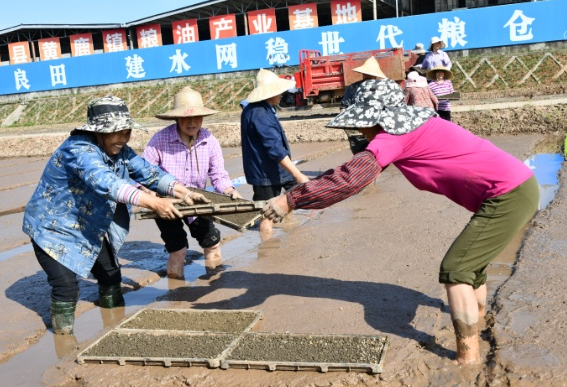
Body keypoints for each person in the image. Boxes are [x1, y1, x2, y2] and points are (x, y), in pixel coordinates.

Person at [261, 79, 539, 365]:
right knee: (472, 265)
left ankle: (467, 358)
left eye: (361, 123)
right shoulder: (415, 124)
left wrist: (289, 200)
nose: (360, 130)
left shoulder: (393, 136)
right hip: (517, 188)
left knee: (457, 269)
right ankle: (477, 321)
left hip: (508, 195)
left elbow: (349, 178)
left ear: (375, 117)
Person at [23, 95, 209, 335]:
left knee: (111, 274)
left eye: (127, 131)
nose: (123, 138)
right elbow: (106, 183)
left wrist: (184, 192)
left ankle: (113, 328)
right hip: (52, 229)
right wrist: (153, 202)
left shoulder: (119, 150)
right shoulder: (78, 149)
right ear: (99, 131)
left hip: (86, 225)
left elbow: (148, 172)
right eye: (117, 132)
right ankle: (64, 339)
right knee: (66, 287)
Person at [143, 86, 241, 279]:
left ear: (203, 118)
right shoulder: (159, 140)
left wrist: (230, 191)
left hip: (198, 199)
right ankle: (176, 293)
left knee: (212, 242)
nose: (192, 122)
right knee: (178, 250)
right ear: (177, 119)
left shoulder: (209, 140)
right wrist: (150, 196)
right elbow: (144, 173)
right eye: (186, 118)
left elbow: (218, 174)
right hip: (168, 202)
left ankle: (216, 285)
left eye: (197, 117)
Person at [241, 68, 309, 241]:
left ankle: (287, 226)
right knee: (266, 215)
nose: (282, 94)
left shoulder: (262, 109)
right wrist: (298, 174)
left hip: (277, 171)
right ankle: (268, 249)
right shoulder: (259, 114)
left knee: (295, 196)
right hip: (265, 173)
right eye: (278, 91)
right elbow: (275, 149)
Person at [341, 56, 387, 154]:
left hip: (373, 126)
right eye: (366, 74)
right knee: (365, 153)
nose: (367, 76)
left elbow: (343, 108)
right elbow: (344, 107)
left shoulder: (381, 88)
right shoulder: (353, 88)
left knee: (370, 153)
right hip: (361, 127)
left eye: (369, 74)